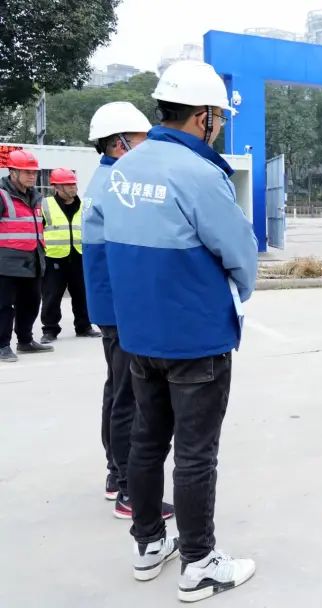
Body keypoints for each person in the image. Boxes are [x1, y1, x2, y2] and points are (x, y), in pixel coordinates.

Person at [90, 60, 258, 600]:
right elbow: (239, 252)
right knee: (195, 453)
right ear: (203, 116)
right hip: (195, 337)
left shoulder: (123, 170)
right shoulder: (199, 174)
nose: (219, 127)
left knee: (146, 441)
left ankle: (147, 544)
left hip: (140, 335)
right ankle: (199, 562)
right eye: (219, 118)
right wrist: (240, 290)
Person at [82, 101, 176, 519]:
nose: (146, 147)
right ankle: (128, 490)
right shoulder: (117, 184)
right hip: (121, 308)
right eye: (140, 141)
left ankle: (114, 474)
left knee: (116, 389)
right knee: (129, 398)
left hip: (110, 305)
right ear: (119, 143)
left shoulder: (105, 179)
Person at [0, 149, 53, 363]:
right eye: (27, 172)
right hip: (6, 263)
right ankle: (2, 345)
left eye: (34, 172)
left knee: (31, 303)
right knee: (3, 306)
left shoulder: (36, 197)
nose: (32, 176)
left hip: (33, 261)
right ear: (13, 172)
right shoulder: (2, 195)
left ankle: (25, 340)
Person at [39, 168, 101, 343]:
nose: (73, 187)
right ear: (57, 187)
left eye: (74, 183)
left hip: (79, 256)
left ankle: (84, 326)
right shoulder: (45, 205)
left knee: (82, 293)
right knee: (52, 295)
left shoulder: (83, 206)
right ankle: (50, 330)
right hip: (54, 258)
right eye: (68, 184)